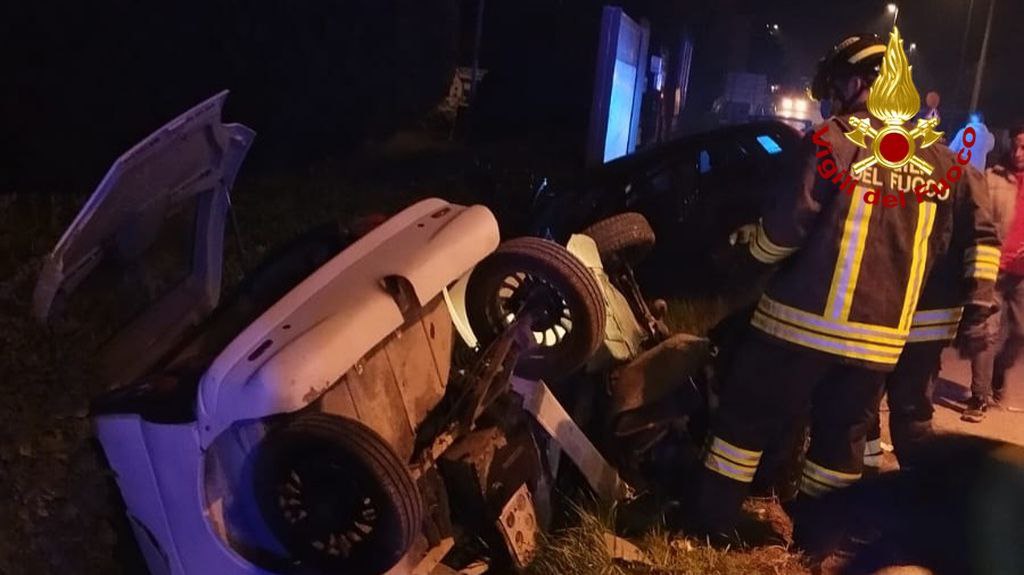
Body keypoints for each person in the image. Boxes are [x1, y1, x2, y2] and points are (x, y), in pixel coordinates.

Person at [689, 29, 997, 550]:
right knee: (839, 446)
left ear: (860, 82)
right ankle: (820, 542)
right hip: (876, 346)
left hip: (799, 327)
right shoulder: (944, 164)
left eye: (837, 86)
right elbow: (951, 244)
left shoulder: (834, 141)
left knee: (744, 421)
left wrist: (744, 256)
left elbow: (784, 231)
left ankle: (708, 525)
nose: (834, 99)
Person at [963, 125, 1024, 421]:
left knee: (1020, 334)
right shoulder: (993, 177)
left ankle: (999, 370)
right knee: (987, 332)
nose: (1018, 153)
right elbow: (978, 217)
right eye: (1015, 145)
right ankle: (980, 396)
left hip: (1022, 275)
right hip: (993, 267)